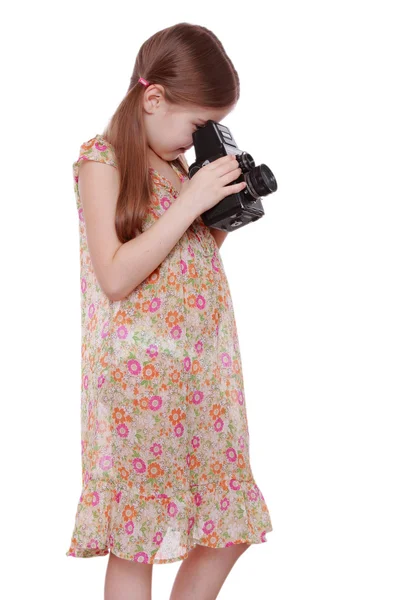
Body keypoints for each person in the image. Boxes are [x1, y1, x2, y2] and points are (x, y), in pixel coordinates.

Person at [65, 21, 273, 600]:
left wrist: (224, 211)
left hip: (204, 369)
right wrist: (193, 202)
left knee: (226, 516)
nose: (199, 137)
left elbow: (188, 259)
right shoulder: (102, 160)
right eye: (196, 124)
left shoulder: (180, 172)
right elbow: (114, 275)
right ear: (153, 98)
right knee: (140, 533)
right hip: (141, 378)